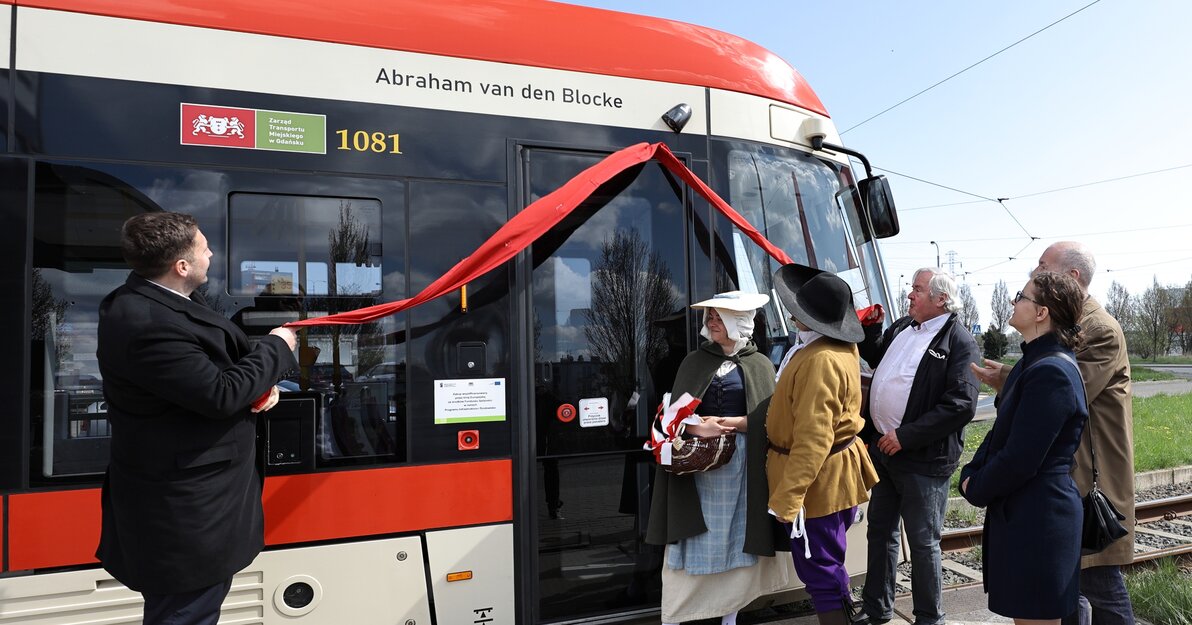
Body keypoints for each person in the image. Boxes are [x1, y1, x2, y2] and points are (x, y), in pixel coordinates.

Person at [96, 212, 299, 625]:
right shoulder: (145, 322)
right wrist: (278, 346)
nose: (212, 253)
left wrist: (257, 389)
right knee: (185, 613)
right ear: (182, 266)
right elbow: (219, 393)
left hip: (198, 505)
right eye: (204, 247)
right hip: (185, 514)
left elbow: (206, 380)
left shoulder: (166, 302)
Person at [972, 241, 1136, 625]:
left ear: (1071, 277)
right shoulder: (1067, 330)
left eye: (1044, 265)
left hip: (1086, 476)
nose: (1034, 270)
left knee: (1098, 583)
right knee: (1069, 589)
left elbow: (1060, 388)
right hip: (1062, 473)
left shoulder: (1099, 328)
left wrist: (1008, 380)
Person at [645, 291, 792, 625]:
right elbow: (673, 417)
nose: (711, 323)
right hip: (701, 465)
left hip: (744, 465)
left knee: (740, 538)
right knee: (700, 538)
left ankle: (730, 616)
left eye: (718, 317)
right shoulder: (693, 362)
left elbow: (770, 418)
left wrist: (732, 424)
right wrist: (697, 429)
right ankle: (680, 612)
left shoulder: (760, 365)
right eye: (709, 317)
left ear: (738, 322)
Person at [960, 272, 1090, 624]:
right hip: (1027, 513)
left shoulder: (1052, 372)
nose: (1013, 301)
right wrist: (971, 473)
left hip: (1040, 521)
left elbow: (1021, 458)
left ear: (1041, 313)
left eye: (1021, 296)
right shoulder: (1033, 361)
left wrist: (978, 486)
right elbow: (1003, 431)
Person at [857, 268, 979, 625]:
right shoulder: (900, 327)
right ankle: (877, 609)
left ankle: (929, 618)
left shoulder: (959, 341)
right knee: (879, 531)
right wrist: (871, 328)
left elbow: (961, 405)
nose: (909, 295)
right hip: (884, 452)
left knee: (923, 543)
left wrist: (906, 435)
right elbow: (876, 357)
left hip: (922, 459)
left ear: (941, 299)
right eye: (911, 288)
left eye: (918, 289)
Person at [767, 264, 879, 625]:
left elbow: (814, 438)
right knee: (826, 566)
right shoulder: (835, 347)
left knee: (820, 571)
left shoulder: (821, 359)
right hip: (827, 478)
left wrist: (789, 496)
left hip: (817, 484)